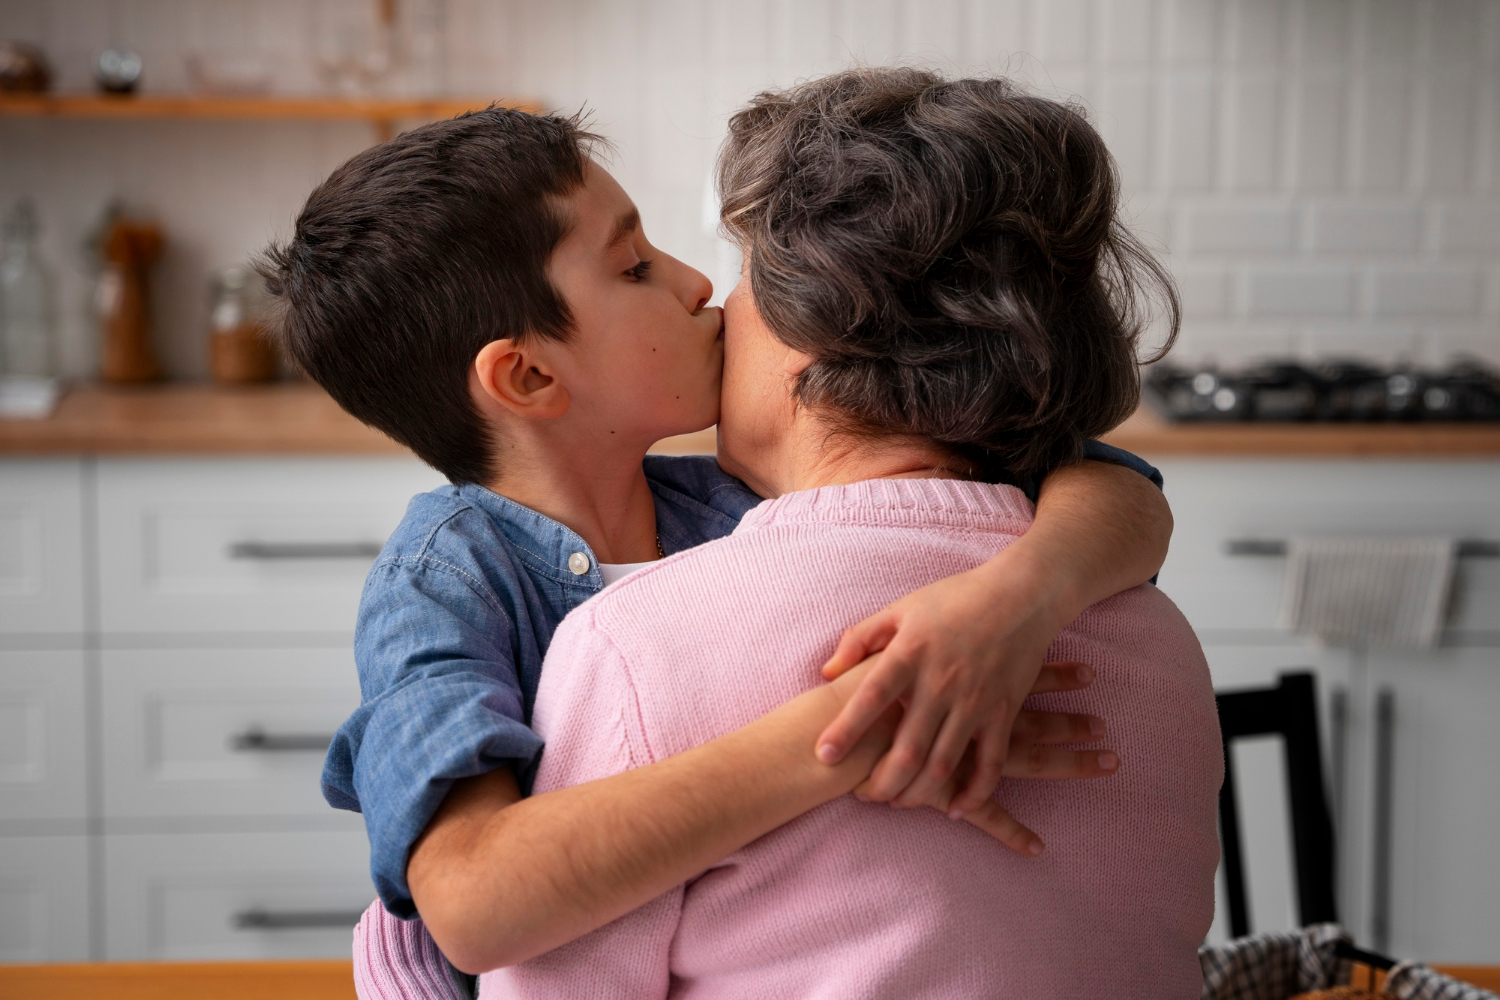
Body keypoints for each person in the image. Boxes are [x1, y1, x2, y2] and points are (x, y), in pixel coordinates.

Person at [257, 98, 1171, 991]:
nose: (696, 283)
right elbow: (470, 901)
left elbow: (1107, 479)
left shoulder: (737, 501)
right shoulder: (446, 581)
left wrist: (1012, 600)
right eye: (633, 267)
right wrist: (855, 728)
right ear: (530, 374)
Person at [480, 69, 1221, 999]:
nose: (713, 301)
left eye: (747, 276)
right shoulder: (1155, 639)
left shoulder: (636, 643)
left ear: (819, 331)